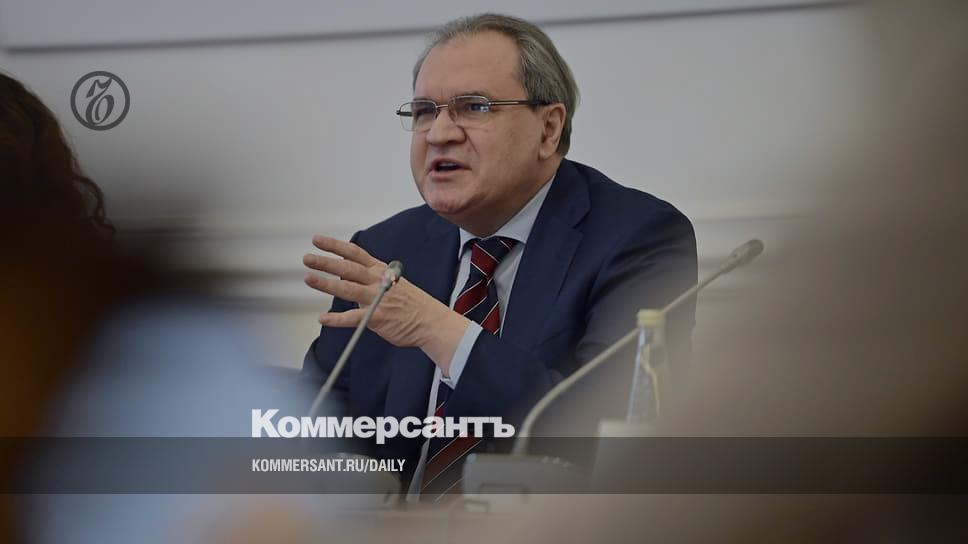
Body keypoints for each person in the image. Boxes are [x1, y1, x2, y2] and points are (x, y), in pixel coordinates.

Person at [301, 14, 697, 495]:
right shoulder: (384, 250)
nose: (438, 134)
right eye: (424, 111)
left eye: (474, 107)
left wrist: (438, 330)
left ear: (548, 129)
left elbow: (607, 430)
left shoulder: (638, 239)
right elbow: (315, 422)